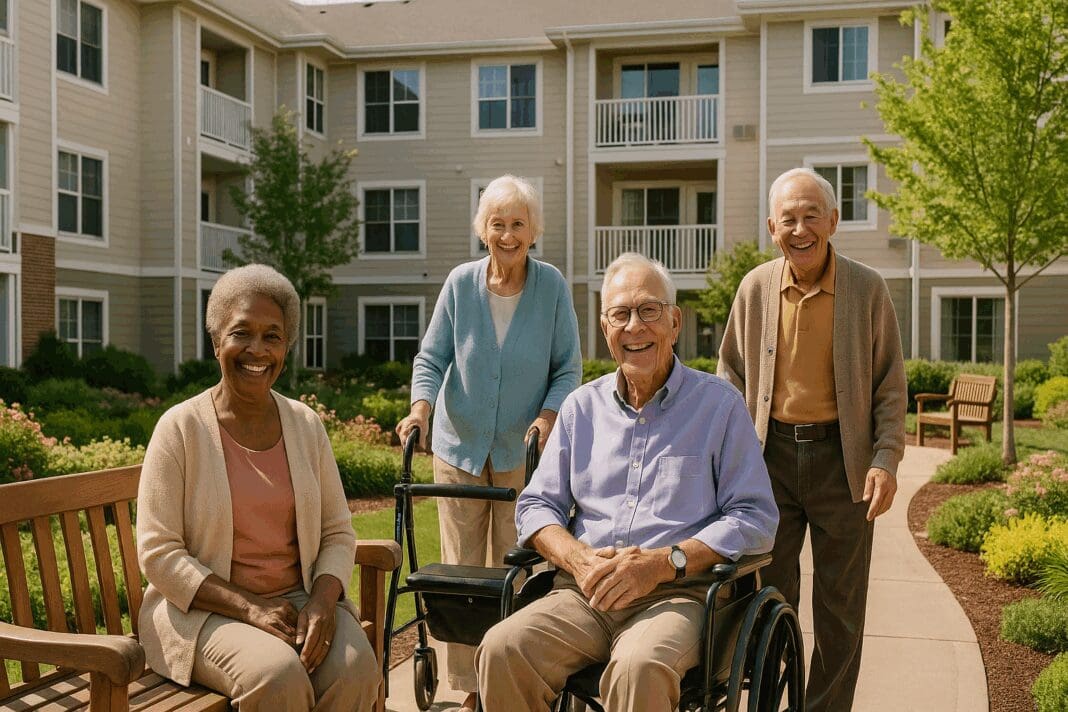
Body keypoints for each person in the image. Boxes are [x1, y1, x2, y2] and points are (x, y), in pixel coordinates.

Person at [475, 252, 778, 712]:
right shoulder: (580, 409)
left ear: (675, 323)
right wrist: (577, 560)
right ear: (605, 329)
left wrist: (663, 563)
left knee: (639, 667)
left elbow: (754, 516)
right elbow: (536, 505)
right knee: (502, 648)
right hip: (584, 595)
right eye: (621, 314)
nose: (634, 326)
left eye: (648, 311)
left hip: (677, 598)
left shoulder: (719, 406)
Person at [136, 264, 379, 711]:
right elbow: (159, 554)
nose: (258, 350)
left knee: (356, 668)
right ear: (216, 342)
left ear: (286, 346)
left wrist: (324, 603)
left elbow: (337, 531)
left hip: (298, 601)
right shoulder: (181, 429)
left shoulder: (305, 425)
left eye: (273, 336)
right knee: (277, 676)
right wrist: (250, 607)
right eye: (241, 333)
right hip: (204, 611)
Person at [717, 167, 907, 711]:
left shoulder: (867, 289)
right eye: (788, 219)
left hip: (843, 465)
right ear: (771, 227)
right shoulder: (754, 288)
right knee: (769, 601)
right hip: (768, 461)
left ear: (833, 221)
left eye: (810, 216)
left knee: (841, 610)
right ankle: (781, 700)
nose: (800, 229)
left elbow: (890, 386)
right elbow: (729, 375)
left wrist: (886, 458)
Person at [396, 174, 582, 711]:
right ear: (483, 229)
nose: (507, 234)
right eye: (497, 223)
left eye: (517, 224)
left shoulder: (551, 288)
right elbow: (431, 358)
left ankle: (510, 676)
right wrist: (420, 409)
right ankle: (472, 689)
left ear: (533, 230)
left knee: (515, 569)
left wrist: (550, 417)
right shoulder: (460, 284)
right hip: (460, 449)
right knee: (461, 571)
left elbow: (567, 369)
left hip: (523, 455)